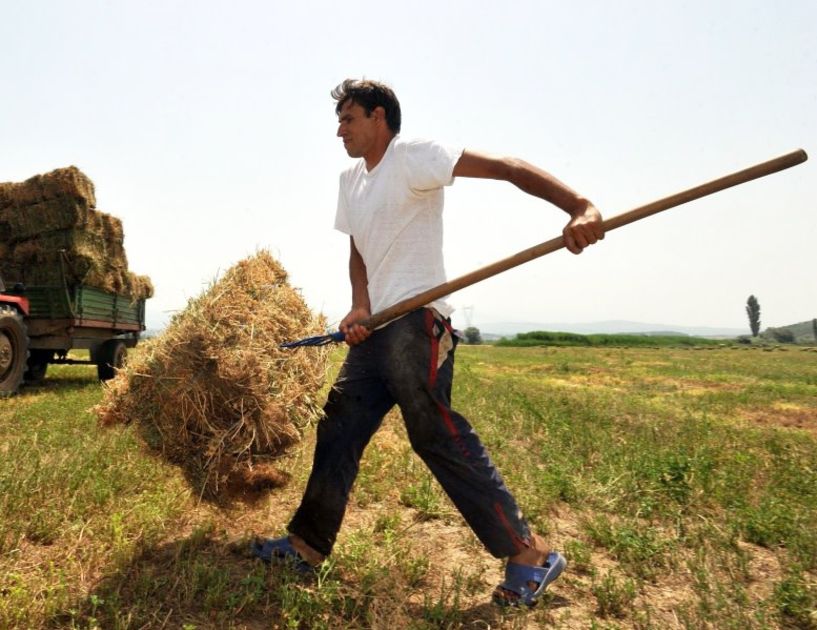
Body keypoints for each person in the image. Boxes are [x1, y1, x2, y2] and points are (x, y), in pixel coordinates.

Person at [254, 78, 604, 607]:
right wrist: (360, 305)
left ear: (378, 117)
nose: (339, 130)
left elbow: (507, 167)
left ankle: (531, 556)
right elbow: (358, 250)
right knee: (338, 425)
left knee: (434, 433)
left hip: (418, 321)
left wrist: (578, 205)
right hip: (375, 330)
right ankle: (306, 546)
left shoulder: (414, 157)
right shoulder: (351, 180)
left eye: (348, 118)